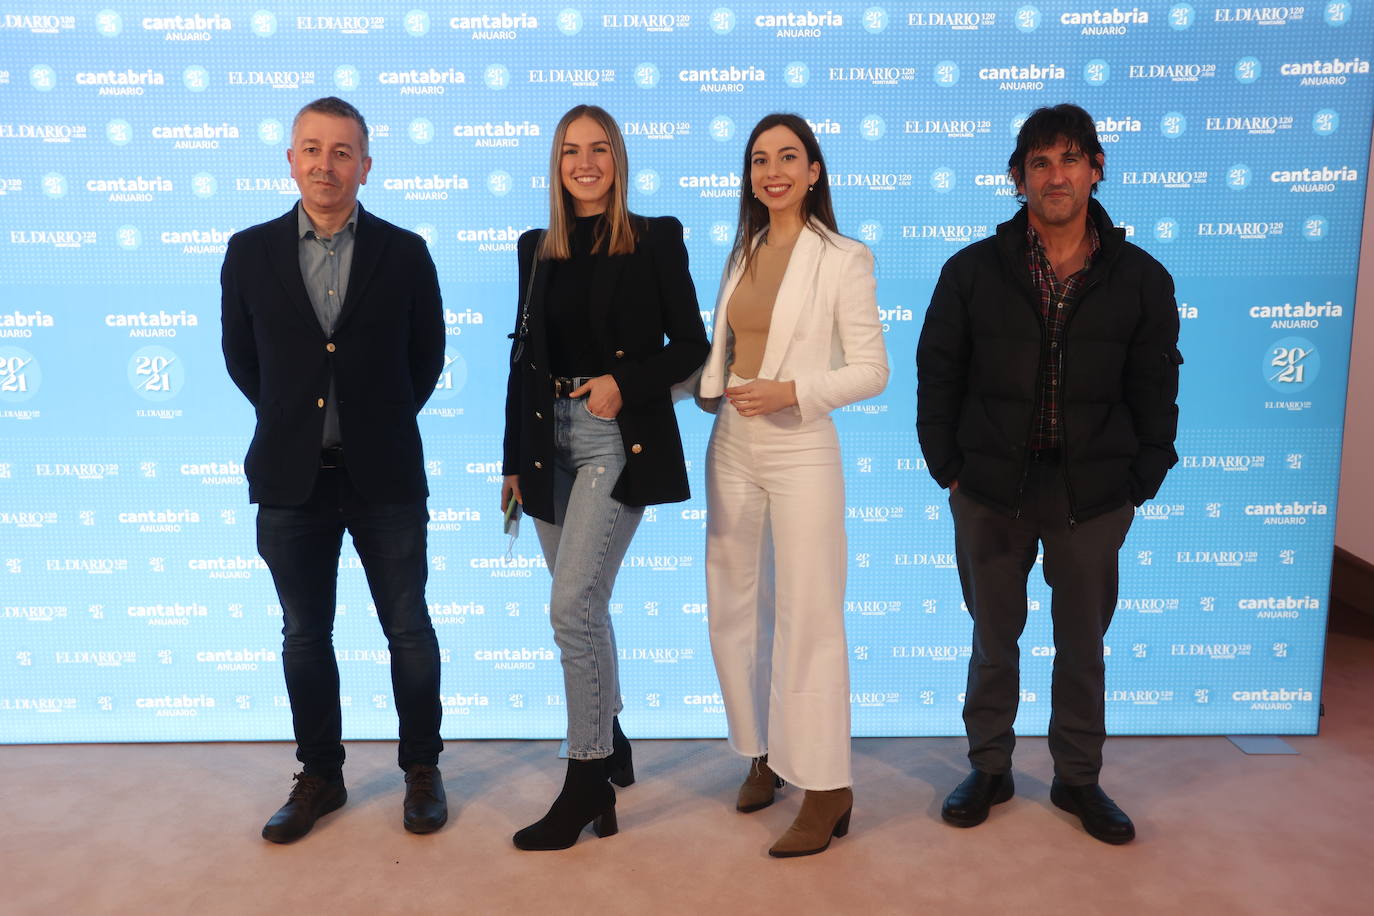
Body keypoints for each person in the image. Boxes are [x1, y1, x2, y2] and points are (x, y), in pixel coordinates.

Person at [916, 103, 1182, 845]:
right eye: (1039, 161)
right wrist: (950, 470)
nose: (1055, 174)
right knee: (993, 639)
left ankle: (1078, 780)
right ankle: (991, 767)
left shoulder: (1141, 279)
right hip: (992, 489)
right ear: (1018, 178)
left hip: (1092, 493)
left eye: (1070, 158)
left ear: (1097, 169)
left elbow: (1157, 390)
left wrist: (1140, 480)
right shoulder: (971, 271)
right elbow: (937, 375)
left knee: (1082, 645)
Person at [221, 97, 447, 843]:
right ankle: (321, 774)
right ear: (290, 160)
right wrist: (298, 418)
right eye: (312, 149)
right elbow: (244, 362)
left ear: (366, 165)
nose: (326, 164)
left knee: (408, 629)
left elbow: (426, 360)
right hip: (291, 480)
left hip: (384, 475)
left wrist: (369, 423)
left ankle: (421, 769)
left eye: (342, 151)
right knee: (303, 634)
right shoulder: (248, 251)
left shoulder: (405, 251)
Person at [501, 104, 708, 851]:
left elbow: (691, 345)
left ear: (618, 157)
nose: (584, 163)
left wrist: (623, 380)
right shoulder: (536, 247)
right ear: (555, 165)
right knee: (585, 609)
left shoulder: (655, 237)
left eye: (597, 149)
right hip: (544, 442)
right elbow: (525, 359)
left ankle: (586, 777)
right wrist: (511, 461)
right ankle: (612, 740)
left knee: (572, 606)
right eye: (569, 152)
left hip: (613, 437)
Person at [698, 113, 888, 858]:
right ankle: (764, 755)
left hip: (801, 441)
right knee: (736, 605)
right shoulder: (742, 248)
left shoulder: (844, 256)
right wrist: (714, 385)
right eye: (758, 161)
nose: (771, 171)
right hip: (732, 441)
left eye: (787, 157)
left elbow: (872, 370)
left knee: (809, 613)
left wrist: (793, 391)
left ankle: (828, 786)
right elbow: (730, 344)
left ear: (814, 170)